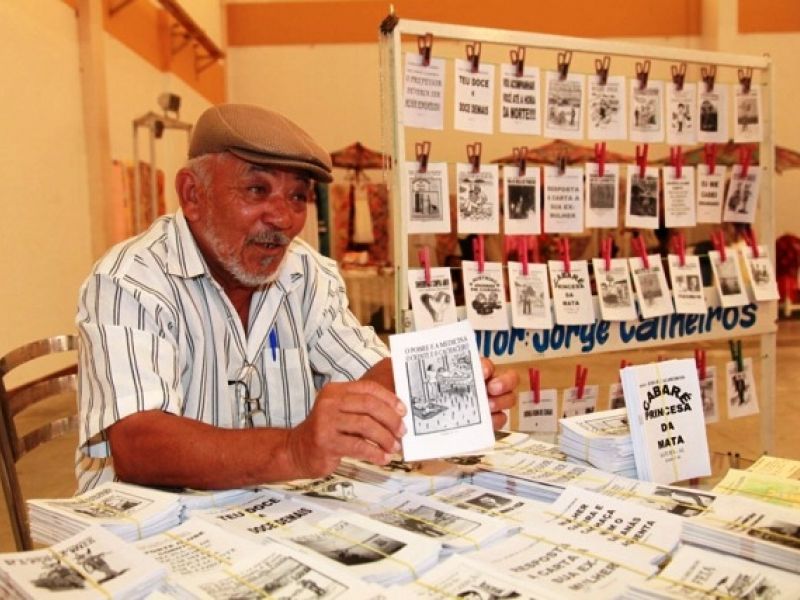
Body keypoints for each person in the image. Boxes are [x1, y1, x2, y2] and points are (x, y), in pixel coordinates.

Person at [75, 103, 518, 492]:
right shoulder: (130, 280)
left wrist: (449, 388)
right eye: (257, 190)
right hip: (144, 526)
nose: (283, 218)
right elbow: (137, 444)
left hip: (261, 512)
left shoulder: (306, 274)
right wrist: (292, 450)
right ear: (193, 194)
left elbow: (365, 372)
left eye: (298, 197)